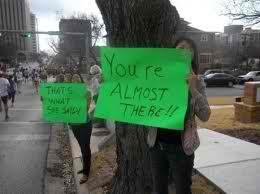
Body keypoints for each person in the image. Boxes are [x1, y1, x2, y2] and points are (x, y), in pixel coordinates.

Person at [148, 37, 211, 194]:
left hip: (182, 148)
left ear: (193, 56)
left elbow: (205, 115)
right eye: (181, 47)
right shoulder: (158, 77)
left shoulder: (197, 81)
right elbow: (136, 94)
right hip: (157, 145)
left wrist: (193, 89)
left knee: (183, 189)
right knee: (159, 189)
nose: (185, 51)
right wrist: (110, 83)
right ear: (172, 51)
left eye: (189, 49)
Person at [69, 73, 93, 184]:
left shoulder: (87, 92)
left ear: (81, 80)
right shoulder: (69, 93)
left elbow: (86, 108)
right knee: (81, 146)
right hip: (74, 125)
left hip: (84, 124)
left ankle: (86, 173)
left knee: (85, 147)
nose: (75, 79)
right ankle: (85, 167)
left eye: (77, 78)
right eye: (73, 78)